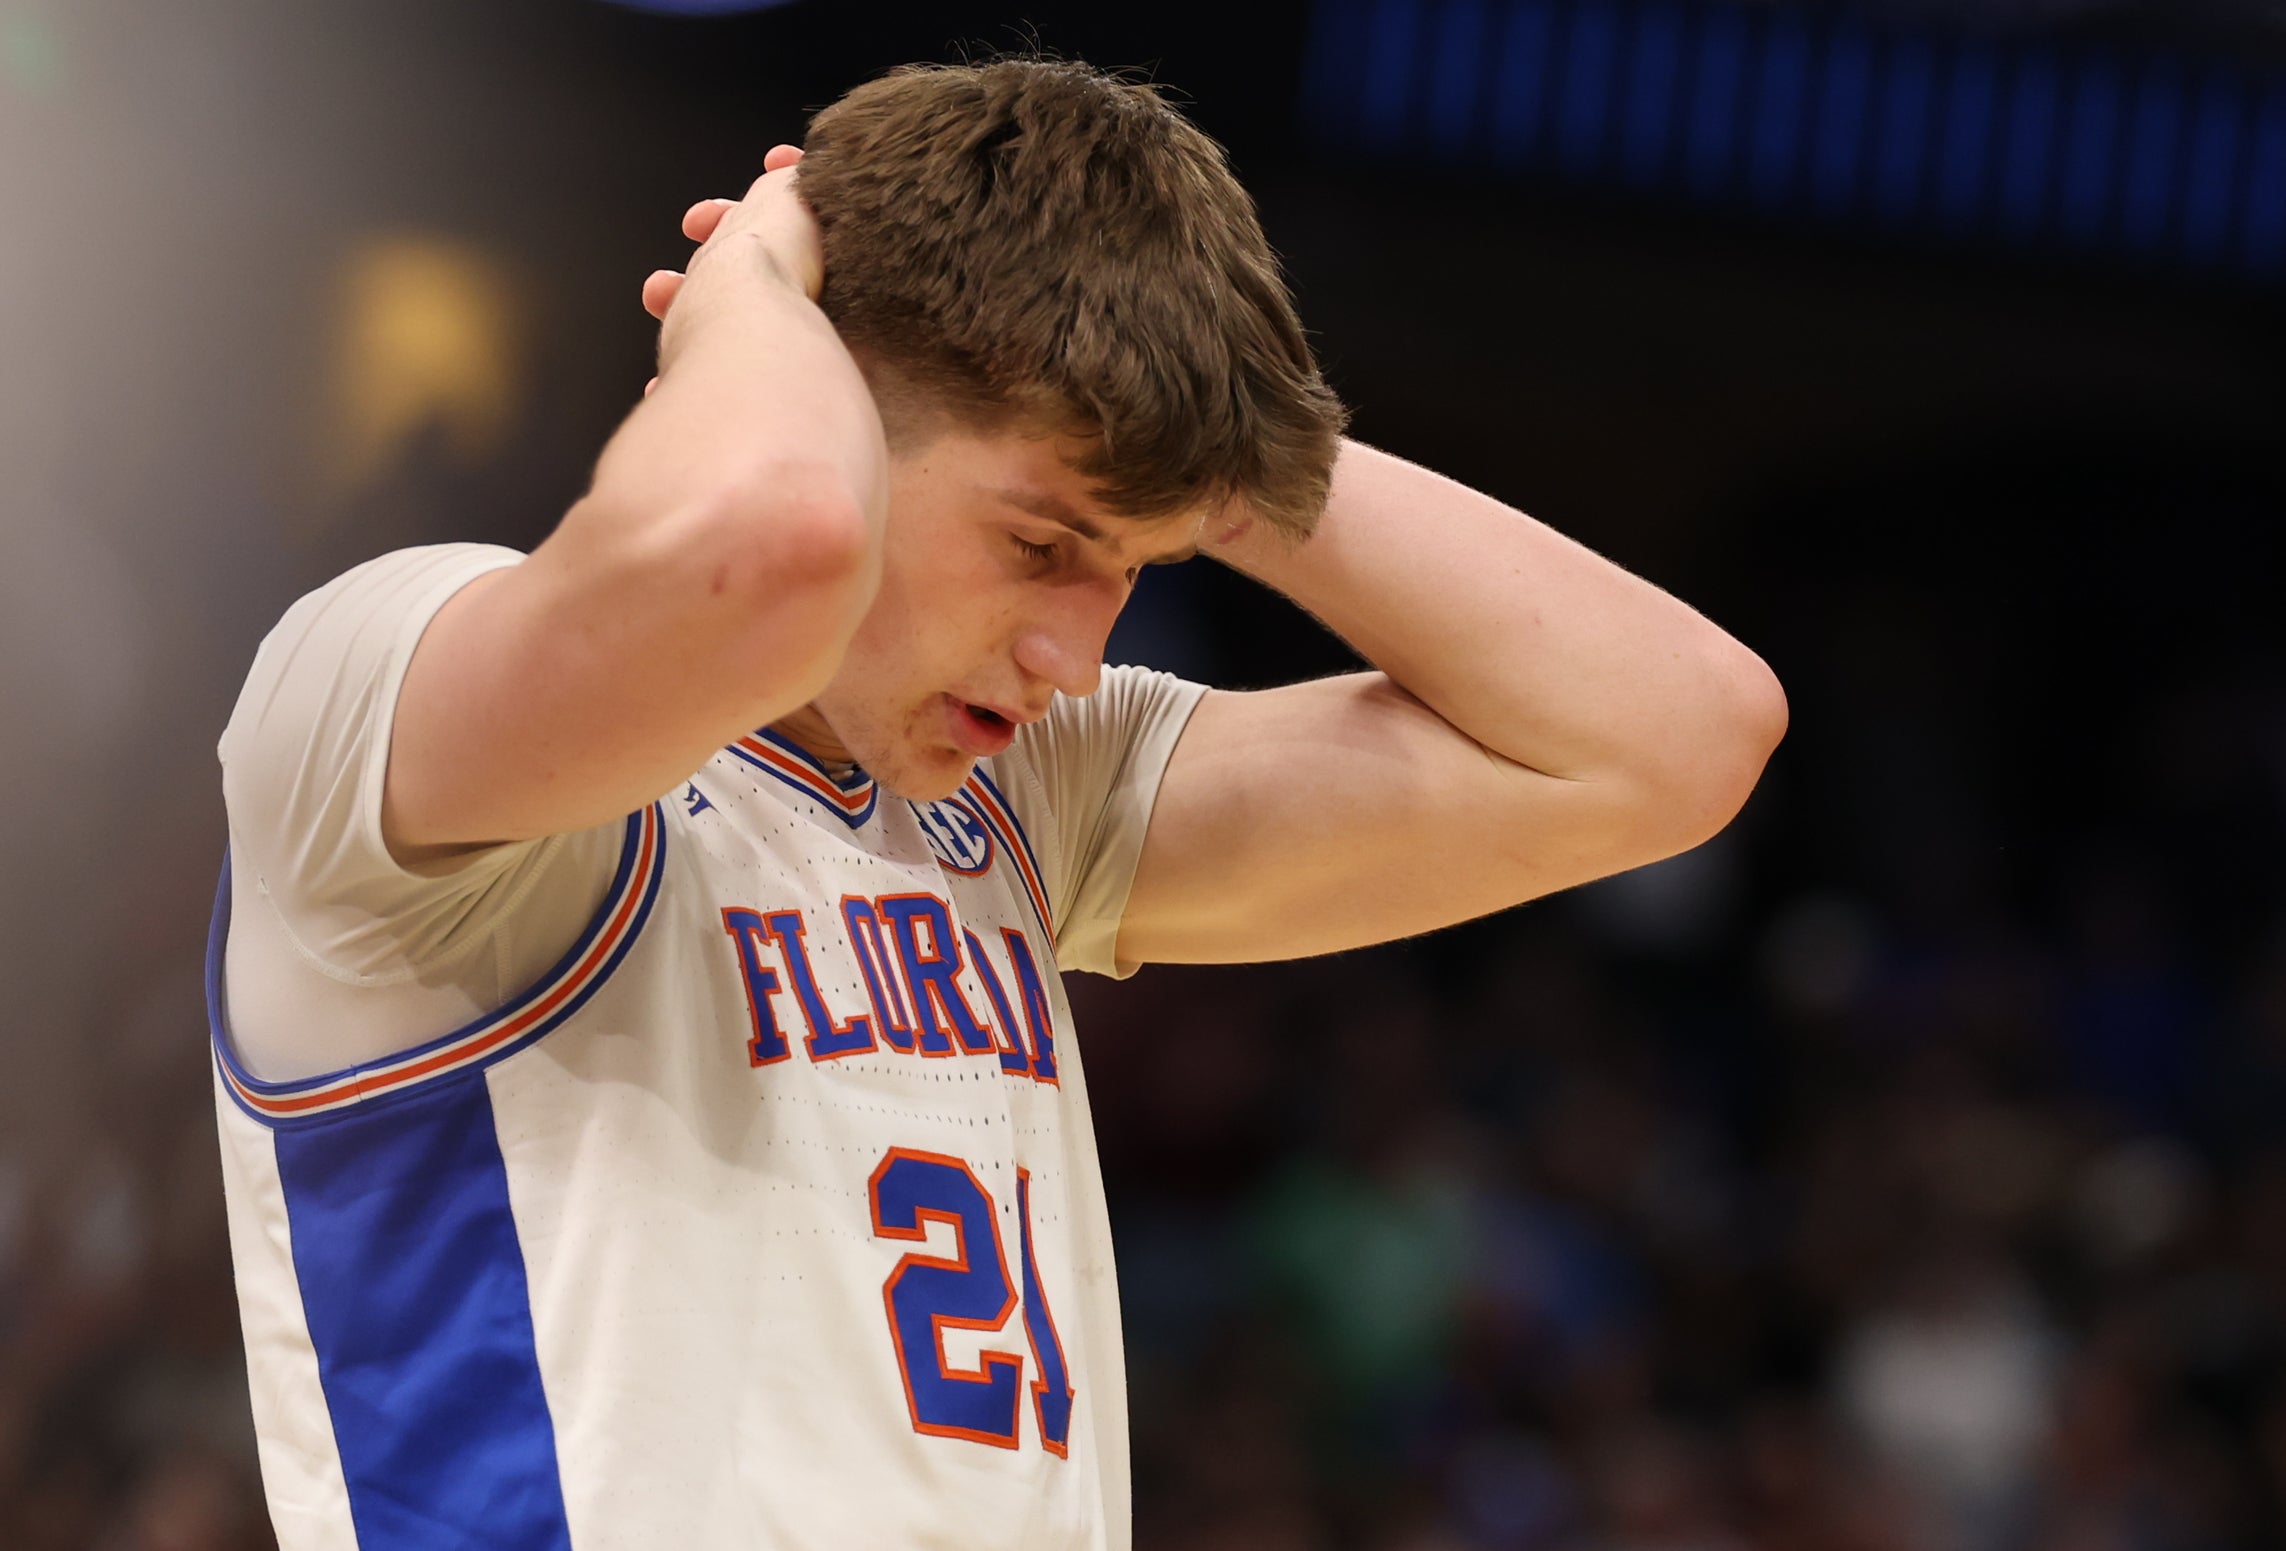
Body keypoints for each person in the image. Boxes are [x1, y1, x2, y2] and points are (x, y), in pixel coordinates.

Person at [209, 57, 1786, 1551]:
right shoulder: (380, 675)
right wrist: (753, 290)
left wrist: (1231, 449)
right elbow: (774, 545)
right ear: (825, 387)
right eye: (1038, 546)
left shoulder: (1023, 788)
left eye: (1132, 565)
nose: (1074, 656)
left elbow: (1675, 741)